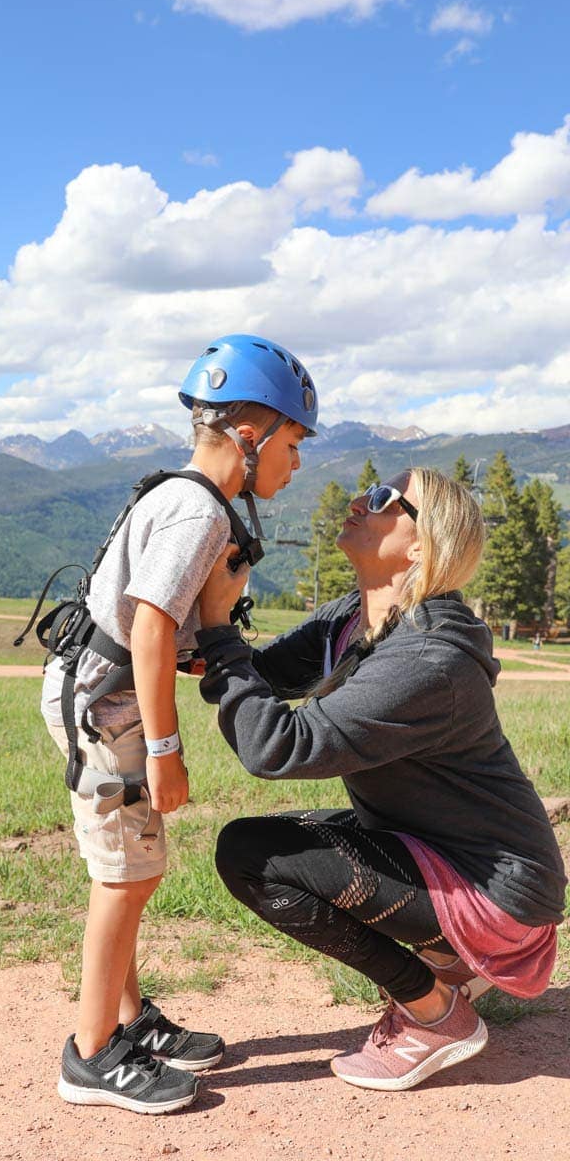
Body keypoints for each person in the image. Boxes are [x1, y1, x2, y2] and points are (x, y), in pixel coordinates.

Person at [194, 468, 567, 1092]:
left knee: (252, 855)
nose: (356, 500)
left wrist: (216, 631)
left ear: (423, 543)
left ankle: (433, 1011)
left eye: (381, 500)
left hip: (498, 891)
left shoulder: (429, 656)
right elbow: (258, 675)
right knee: (286, 841)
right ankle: (448, 963)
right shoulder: (355, 620)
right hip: (444, 852)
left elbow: (276, 747)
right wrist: (183, 626)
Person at [41, 334, 319, 1113]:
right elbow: (152, 626)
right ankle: (91, 1055)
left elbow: (165, 628)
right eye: (293, 442)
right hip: (109, 708)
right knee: (129, 876)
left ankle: (127, 1022)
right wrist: (166, 751)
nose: (295, 463)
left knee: (126, 870)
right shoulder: (198, 511)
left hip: (96, 691)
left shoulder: (189, 499)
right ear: (251, 436)